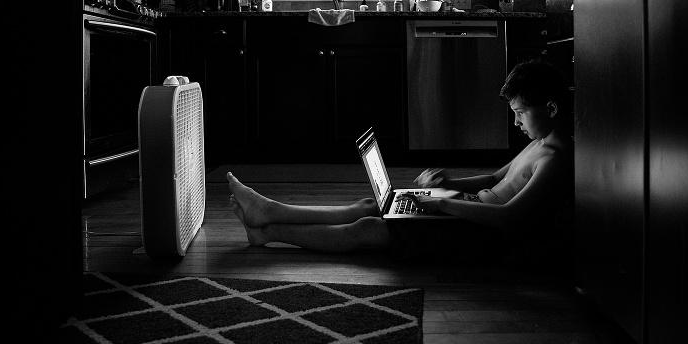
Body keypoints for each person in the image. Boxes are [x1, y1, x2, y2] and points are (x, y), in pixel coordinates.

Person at [228, 59, 573, 262]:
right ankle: (269, 211)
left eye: (520, 113)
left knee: (366, 229)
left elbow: (510, 219)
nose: (515, 122)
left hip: (481, 232)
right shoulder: (539, 143)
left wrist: (444, 205)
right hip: (467, 208)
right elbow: (496, 179)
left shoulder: (556, 160)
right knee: (373, 205)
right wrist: (448, 185)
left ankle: (270, 230)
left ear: (552, 108)